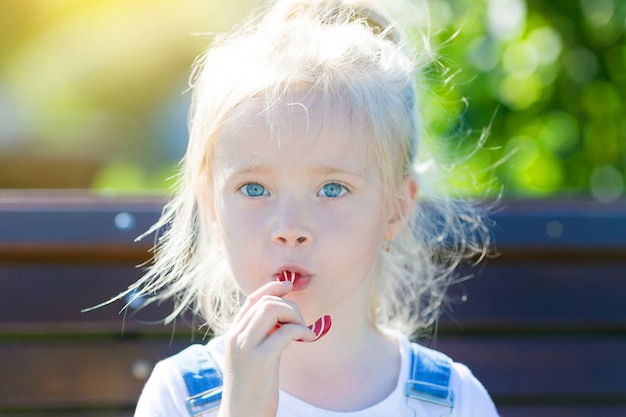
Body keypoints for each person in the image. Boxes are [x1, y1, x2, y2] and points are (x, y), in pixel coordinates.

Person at [126, 0, 499, 415]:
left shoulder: (452, 401)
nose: (290, 227)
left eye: (333, 189)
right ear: (212, 206)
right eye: (253, 188)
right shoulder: (181, 396)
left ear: (395, 209)